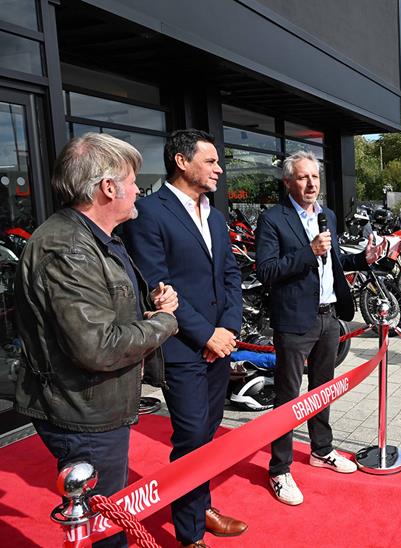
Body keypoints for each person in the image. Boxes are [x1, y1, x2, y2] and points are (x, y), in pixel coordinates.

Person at [14, 133, 179, 548]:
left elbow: (103, 316)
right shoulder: (69, 247)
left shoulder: (92, 237)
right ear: (108, 188)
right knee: (107, 530)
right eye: (132, 179)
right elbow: (98, 346)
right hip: (83, 412)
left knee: (107, 519)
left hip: (93, 405)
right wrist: (165, 322)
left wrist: (148, 308)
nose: (139, 189)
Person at [123, 129, 246, 546]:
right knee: (192, 439)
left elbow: (230, 274)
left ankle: (200, 504)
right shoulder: (149, 213)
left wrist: (227, 329)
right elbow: (159, 285)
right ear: (181, 161)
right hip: (182, 348)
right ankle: (190, 534)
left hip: (219, 344)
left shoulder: (214, 213)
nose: (219, 169)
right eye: (210, 161)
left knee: (208, 436)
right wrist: (206, 334)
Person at [255, 150, 385, 506]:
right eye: (303, 177)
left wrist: (363, 260)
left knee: (323, 389)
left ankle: (321, 449)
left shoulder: (326, 215)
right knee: (288, 396)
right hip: (296, 320)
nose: (312, 184)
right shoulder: (272, 219)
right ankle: (279, 469)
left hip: (330, 316)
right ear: (287, 182)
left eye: (315, 177)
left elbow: (336, 260)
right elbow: (265, 271)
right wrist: (308, 252)